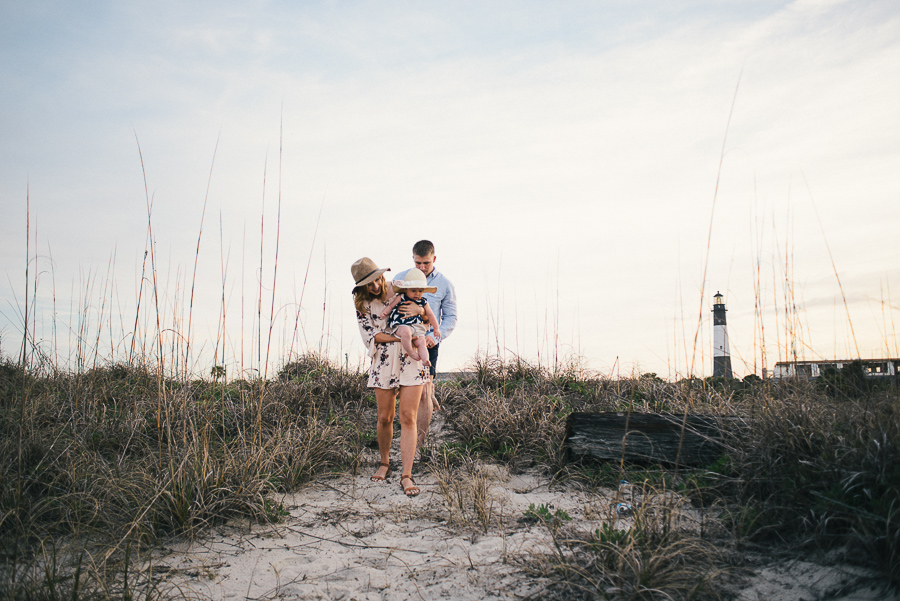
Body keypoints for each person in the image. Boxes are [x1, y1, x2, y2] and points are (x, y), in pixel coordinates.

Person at [352, 257, 426, 497]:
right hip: (383, 362)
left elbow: (425, 313)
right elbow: (372, 338)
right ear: (361, 287)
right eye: (369, 284)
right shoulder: (362, 306)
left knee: (408, 416)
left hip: (410, 360)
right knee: (385, 417)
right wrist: (400, 337)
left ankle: (407, 474)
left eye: (377, 279)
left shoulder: (400, 288)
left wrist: (421, 310)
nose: (375, 286)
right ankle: (384, 462)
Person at [393, 240, 457, 452]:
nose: (421, 267)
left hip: (427, 342)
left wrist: (434, 337)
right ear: (413, 258)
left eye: (426, 263)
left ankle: (419, 444)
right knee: (404, 391)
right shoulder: (400, 278)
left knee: (424, 392)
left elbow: (450, 317)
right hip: (400, 341)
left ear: (434, 259)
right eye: (418, 263)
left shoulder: (445, 284)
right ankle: (406, 435)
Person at [379, 269, 441, 365]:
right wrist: (385, 312)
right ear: (406, 289)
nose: (417, 294)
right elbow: (391, 305)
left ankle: (425, 360)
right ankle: (411, 352)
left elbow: (430, 315)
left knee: (422, 342)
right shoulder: (401, 297)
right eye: (413, 290)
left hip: (416, 326)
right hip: (401, 324)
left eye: (420, 291)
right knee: (406, 332)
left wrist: (436, 328)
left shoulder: (423, 302)